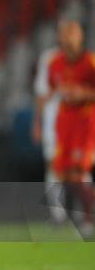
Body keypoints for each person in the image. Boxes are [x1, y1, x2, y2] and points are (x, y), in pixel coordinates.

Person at [46, 20, 95, 237]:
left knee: (78, 172)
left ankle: (87, 217)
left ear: (81, 37)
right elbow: (53, 89)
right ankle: (82, 215)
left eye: (72, 33)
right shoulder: (54, 63)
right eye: (65, 34)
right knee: (62, 172)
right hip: (64, 121)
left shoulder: (90, 63)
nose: (68, 38)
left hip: (85, 120)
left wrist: (83, 94)